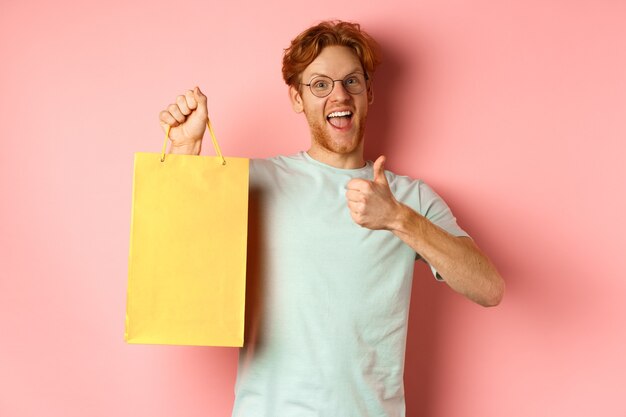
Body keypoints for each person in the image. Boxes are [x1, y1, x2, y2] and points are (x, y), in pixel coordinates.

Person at [158, 20, 504, 417]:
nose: (339, 95)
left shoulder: (409, 198)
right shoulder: (254, 181)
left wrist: (397, 219)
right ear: (296, 98)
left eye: (351, 81)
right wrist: (185, 151)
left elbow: (489, 288)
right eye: (320, 84)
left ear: (369, 93)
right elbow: (175, 254)